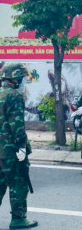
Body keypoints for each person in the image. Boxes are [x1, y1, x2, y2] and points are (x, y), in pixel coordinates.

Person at [0, 63, 38, 229]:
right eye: (22, 78)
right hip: (11, 151)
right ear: (14, 78)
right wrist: (21, 147)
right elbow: (17, 125)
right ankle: (18, 219)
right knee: (19, 183)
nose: (23, 81)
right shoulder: (14, 95)